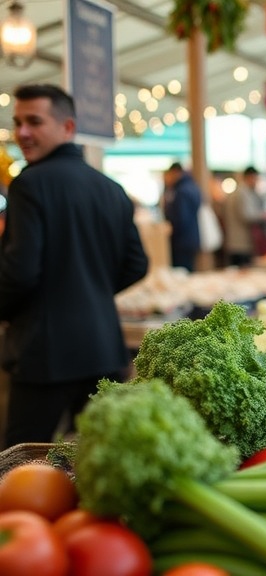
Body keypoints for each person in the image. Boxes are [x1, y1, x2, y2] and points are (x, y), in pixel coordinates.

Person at [0, 84, 148, 447]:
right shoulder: (111, 189)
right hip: (104, 350)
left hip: (44, 353)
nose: (22, 133)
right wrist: (91, 291)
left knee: (21, 461)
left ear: (67, 127)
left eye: (34, 122)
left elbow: (19, 271)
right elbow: (137, 263)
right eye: (18, 122)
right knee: (101, 458)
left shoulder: (28, 184)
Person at [223, 166, 266, 266]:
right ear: (249, 177)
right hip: (240, 242)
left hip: (238, 241)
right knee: (241, 271)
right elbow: (247, 215)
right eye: (255, 178)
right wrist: (263, 216)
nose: (256, 181)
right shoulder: (242, 193)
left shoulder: (241, 191)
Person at [163, 162, 202, 271]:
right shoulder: (192, 186)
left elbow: (181, 218)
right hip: (191, 238)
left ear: (175, 173)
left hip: (182, 240)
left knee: (182, 272)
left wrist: (172, 229)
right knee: (188, 269)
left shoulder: (181, 191)